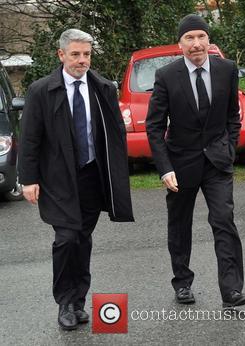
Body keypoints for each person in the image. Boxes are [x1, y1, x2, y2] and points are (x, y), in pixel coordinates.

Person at [19, 28, 134, 330]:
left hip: (92, 177)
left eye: (86, 55)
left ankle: (78, 302)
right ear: (61, 55)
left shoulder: (103, 88)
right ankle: (65, 302)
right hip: (57, 180)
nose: (82, 61)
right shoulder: (41, 91)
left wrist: (118, 173)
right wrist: (28, 179)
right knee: (67, 238)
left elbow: (115, 135)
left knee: (82, 240)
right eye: (75, 55)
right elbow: (29, 138)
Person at [146, 14, 245, 308]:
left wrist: (229, 148)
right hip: (180, 165)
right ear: (179, 44)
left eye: (201, 37)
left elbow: (232, 115)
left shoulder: (227, 70)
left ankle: (231, 290)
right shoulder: (166, 75)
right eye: (189, 38)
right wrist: (165, 167)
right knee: (180, 225)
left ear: (208, 40)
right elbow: (154, 126)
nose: (196, 44)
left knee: (223, 221)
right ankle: (182, 283)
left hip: (217, 162)